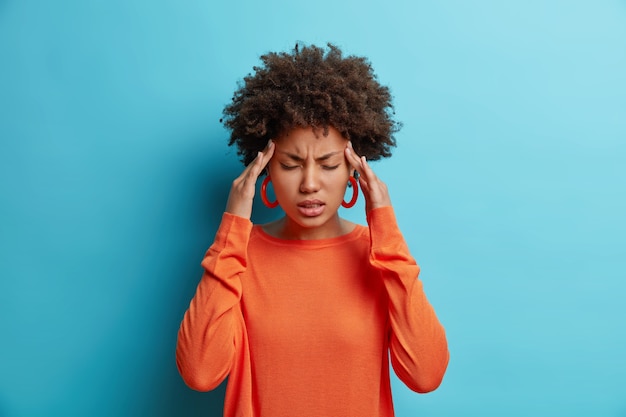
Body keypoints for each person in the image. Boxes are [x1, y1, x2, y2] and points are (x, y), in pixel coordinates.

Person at [176, 43, 449, 417]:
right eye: (290, 165)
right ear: (265, 169)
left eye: (328, 164)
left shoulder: (381, 255)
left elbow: (426, 374)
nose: (309, 184)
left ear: (354, 169)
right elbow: (200, 373)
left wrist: (385, 227)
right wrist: (232, 227)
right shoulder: (239, 256)